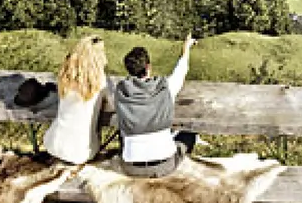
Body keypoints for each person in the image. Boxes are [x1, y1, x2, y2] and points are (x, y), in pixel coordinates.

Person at [114, 34, 198, 177]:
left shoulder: (120, 91)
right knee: (188, 134)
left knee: (124, 135)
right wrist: (186, 48)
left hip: (131, 168)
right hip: (164, 166)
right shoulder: (165, 87)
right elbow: (181, 69)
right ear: (148, 67)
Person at [42, 35, 110, 165]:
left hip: (54, 142)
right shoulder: (99, 81)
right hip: (81, 151)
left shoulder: (64, 77)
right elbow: (111, 106)